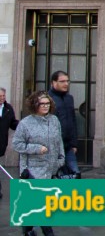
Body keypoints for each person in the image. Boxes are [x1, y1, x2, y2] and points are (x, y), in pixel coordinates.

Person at [12, 91, 64, 236]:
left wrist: (61, 159)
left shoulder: (54, 120)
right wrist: (36, 148)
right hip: (33, 170)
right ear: (35, 104)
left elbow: (58, 140)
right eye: (42, 104)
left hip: (51, 168)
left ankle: (27, 231)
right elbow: (17, 144)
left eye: (48, 103)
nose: (46, 106)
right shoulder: (25, 123)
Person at [48, 71, 80, 178]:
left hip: (68, 146)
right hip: (53, 146)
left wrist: (74, 143)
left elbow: (73, 121)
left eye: (67, 81)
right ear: (53, 82)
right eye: (62, 81)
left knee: (75, 174)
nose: (66, 84)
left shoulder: (69, 98)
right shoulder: (47, 99)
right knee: (54, 176)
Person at [0, 87, 19, 200]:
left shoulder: (8, 108)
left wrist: (21, 125)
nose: (2, 98)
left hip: (1, 142)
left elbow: (12, 123)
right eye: (0, 96)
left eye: (3, 96)